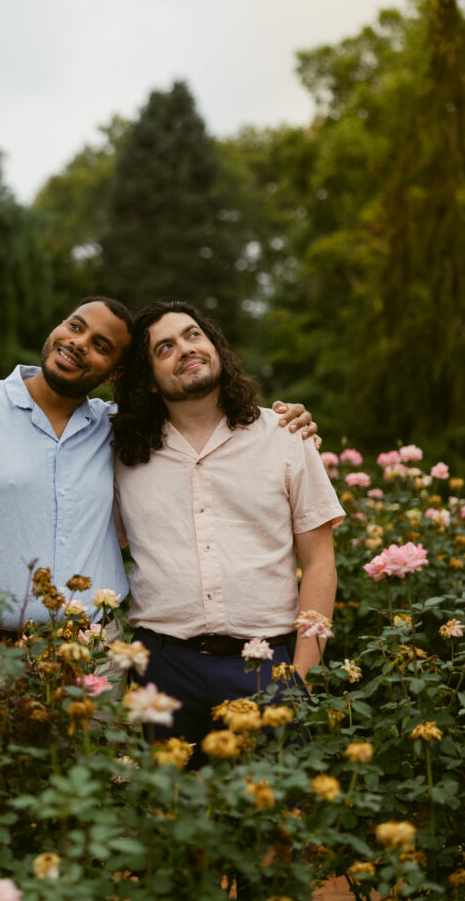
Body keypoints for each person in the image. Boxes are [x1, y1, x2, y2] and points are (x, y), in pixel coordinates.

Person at [0, 296, 317, 647]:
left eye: (100, 346)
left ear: (114, 373)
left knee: (101, 766)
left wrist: (286, 421)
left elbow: (197, 415)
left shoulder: (118, 430)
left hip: (94, 655)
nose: (79, 343)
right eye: (75, 326)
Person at [111, 300, 344, 750]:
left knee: (278, 813)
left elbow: (319, 562)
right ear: (151, 382)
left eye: (192, 335)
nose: (185, 349)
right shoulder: (123, 455)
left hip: (266, 665)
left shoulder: (285, 435)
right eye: (164, 348)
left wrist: (303, 677)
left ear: (214, 345)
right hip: (161, 668)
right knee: (167, 811)